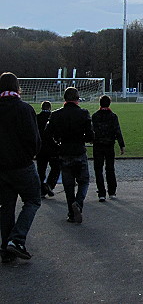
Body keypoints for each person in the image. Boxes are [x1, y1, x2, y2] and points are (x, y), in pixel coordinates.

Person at [0, 72, 41, 262]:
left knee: (6, 206)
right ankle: (16, 240)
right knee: (33, 200)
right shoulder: (24, 109)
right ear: (17, 87)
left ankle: (6, 247)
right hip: (21, 165)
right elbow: (34, 140)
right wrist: (29, 154)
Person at [45, 87, 94, 224]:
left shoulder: (56, 115)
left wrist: (57, 146)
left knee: (68, 185)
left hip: (64, 151)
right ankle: (78, 203)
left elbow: (47, 135)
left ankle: (71, 213)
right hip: (79, 151)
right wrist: (82, 139)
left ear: (65, 99)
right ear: (77, 98)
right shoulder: (84, 113)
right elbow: (90, 136)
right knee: (83, 181)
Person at [92, 95, 125, 202]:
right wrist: (121, 145)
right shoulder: (113, 116)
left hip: (98, 145)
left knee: (98, 170)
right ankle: (112, 192)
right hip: (109, 145)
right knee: (110, 168)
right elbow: (117, 131)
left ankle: (101, 193)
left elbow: (92, 130)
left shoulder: (95, 116)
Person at [36, 101, 61, 198]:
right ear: (50, 107)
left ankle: (41, 189)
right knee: (56, 167)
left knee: (41, 169)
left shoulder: (36, 118)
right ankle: (49, 184)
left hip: (40, 148)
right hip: (52, 147)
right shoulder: (54, 117)